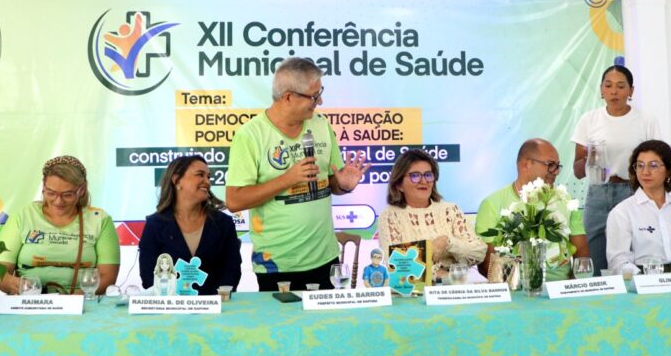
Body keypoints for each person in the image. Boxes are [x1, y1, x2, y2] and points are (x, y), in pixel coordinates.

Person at [225, 57, 370, 292]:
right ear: (288, 97)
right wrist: (288, 179)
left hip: (325, 258)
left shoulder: (321, 125)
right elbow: (234, 201)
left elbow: (331, 183)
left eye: (320, 93)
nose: (320, 101)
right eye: (314, 96)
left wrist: (343, 185)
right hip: (277, 264)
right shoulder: (250, 135)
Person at [571, 65, 661, 276]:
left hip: (632, 192)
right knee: (594, 257)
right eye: (608, 86)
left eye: (621, 86)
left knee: (635, 255)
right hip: (597, 193)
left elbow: (657, 163)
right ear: (601, 89)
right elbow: (577, 171)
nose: (614, 92)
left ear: (631, 90)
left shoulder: (646, 120)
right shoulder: (589, 120)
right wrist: (590, 158)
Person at [0, 156, 120, 295]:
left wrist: (73, 299)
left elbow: (107, 277)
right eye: (51, 193)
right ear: (43, 187)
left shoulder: (100, 219)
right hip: (30, 300)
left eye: (67, 195)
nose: (58, 201)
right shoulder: (23, 216)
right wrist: (17, 285)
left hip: (82, 303)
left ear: (82, 190)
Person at [476, 138, 590, 281]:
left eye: (557, 166)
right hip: (514, 288)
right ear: (527, 164)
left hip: (558, 287)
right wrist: (519, 287)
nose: (556, 172)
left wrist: (570, 288)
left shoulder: (565, 200)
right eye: (551, 165)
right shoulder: (492, 204)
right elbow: (486, 265)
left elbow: (582, 256)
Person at [139, 155, 242, 296]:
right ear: (176, 180)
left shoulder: (224, 223)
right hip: (169, 307)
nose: (207, 182)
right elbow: (148, 275)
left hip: (215, 306)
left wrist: (210, 302)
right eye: (200, 175)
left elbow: (232, 272)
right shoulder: (155, 224)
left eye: (208, 177)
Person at [377, 149, 487, 280]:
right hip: (415, 291)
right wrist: (438, 273)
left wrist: (447, 242)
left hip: (456, 287)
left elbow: (479, 252)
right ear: (399, 184)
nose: (424, 181)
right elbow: (397, 268)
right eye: (415, 176)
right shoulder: (390, 216)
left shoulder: (450, 210)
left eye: (428, 175)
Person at [606, 140, 671, 274]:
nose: (645, 172)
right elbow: (618, 262)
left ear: (669, 170)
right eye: (640, 165)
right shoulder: (622, 212)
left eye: (653, 165)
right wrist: (643, 281)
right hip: (642, 278)